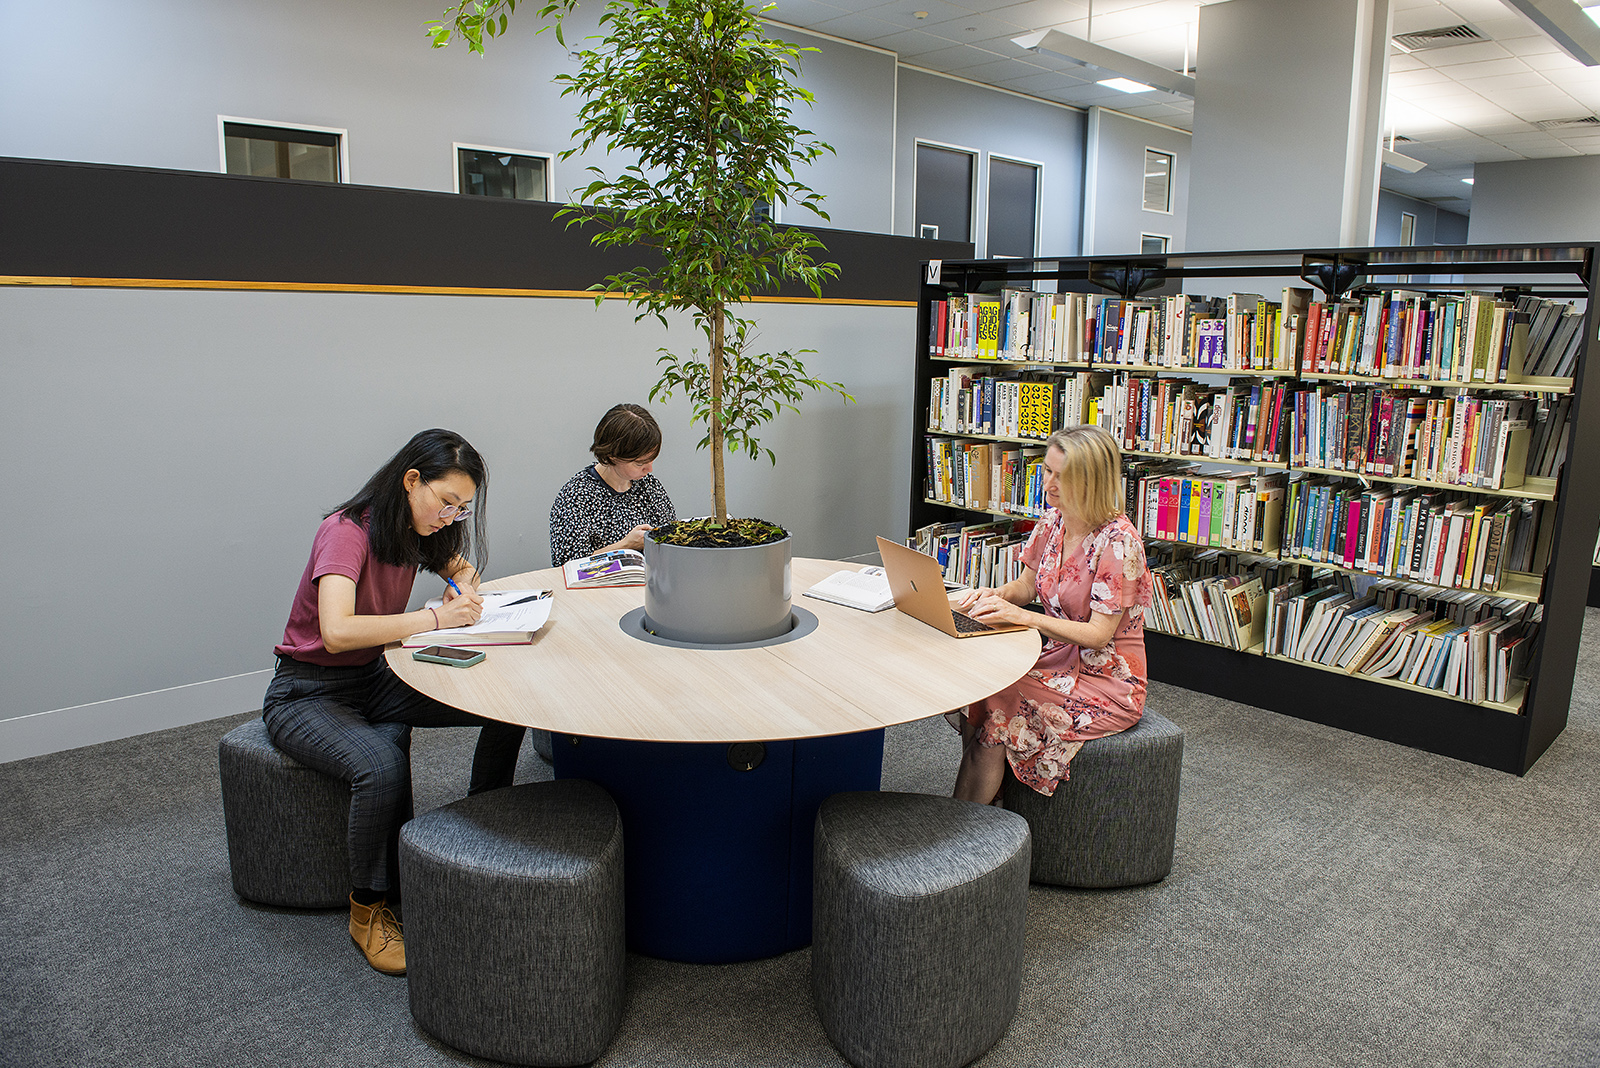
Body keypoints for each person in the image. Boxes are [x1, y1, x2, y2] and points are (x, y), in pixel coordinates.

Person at [262, 428, 525, 976]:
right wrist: (436, 618)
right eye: (446, 501)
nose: (451, 516)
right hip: (305, 691)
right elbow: (335, 631)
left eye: (462, 508)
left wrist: (465, 580)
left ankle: (483, 820)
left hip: (372, 676)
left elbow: (455, 567)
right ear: (411, 481)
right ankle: (367, 911)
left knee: (505, 704)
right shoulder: (346, 532)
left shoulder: (416, 528)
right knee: (380, 766)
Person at [951, 424, 1154, 805]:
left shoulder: (1119, 542)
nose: (1049, 484)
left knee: (998, 703)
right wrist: (993, 596)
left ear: (1092, 481)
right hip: (1058, 661)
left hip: (1106, 682)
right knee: (981, 684)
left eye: (1063, 476)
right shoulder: (1053, 521)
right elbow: (1026, 586)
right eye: (1047, 470)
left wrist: (1027, 618)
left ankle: (967, 826)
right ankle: (987, 807)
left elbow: (1098, 635)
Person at [549, 403, 677, 567]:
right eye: (639, 463)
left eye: (651, 461)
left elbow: (672, 542)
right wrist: (626, 545)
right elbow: (566, 567)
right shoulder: (576, 495)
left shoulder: (649, 486)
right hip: (597, 590)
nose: (650, 469)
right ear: (611, 456)